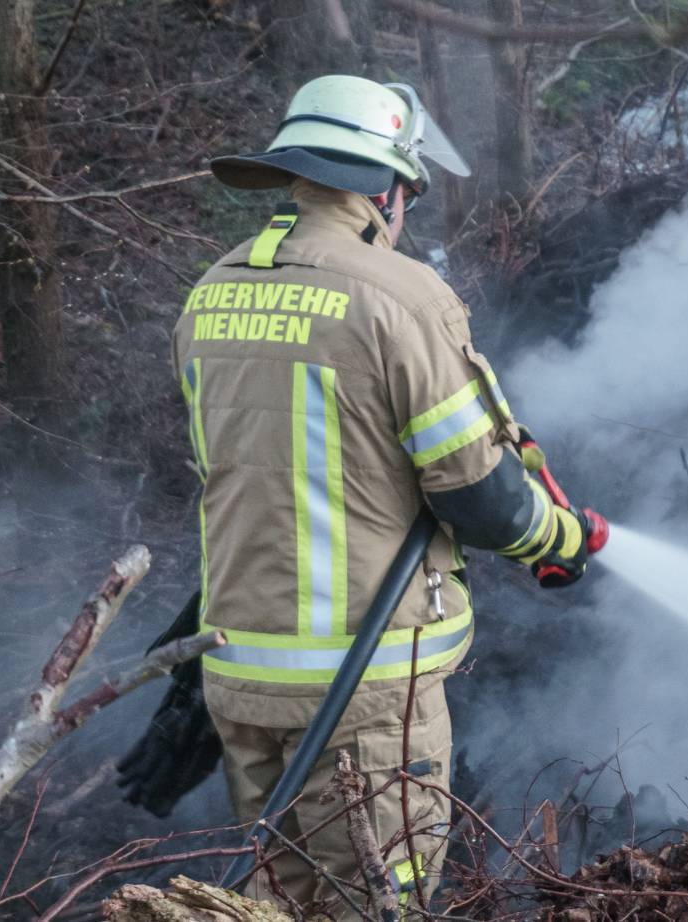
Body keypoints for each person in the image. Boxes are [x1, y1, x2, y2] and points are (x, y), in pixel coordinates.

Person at [173, 75, 598, 913]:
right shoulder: (400, 296)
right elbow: (479, 495)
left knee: (276, 903)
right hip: (361, 688)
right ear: (384, 189)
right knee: (375, 903)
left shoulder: (210, 294)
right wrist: (562, 541)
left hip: (240, 677)